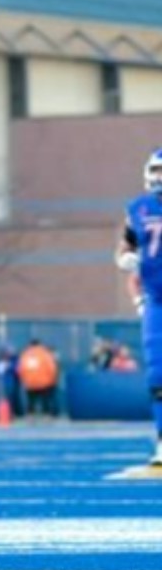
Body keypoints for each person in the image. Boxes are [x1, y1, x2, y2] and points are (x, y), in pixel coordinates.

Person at [115, 149, 162, 466]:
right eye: (156, 170)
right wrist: (124, 258)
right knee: (157, 375)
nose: (159, 177)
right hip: (156, 300)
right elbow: (124, 246)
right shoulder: (138, 208)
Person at [17, 339, 59, 419]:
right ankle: (46, 415)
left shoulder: (25, 355)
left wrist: (23, 380)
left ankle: (30, 415)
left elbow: (20, 369)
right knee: (45, 400)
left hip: (30, 383)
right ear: (40, 344)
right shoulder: (45, 354)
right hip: (44, 382)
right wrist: (53, 380)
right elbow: (52, 368)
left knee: (31, 400)